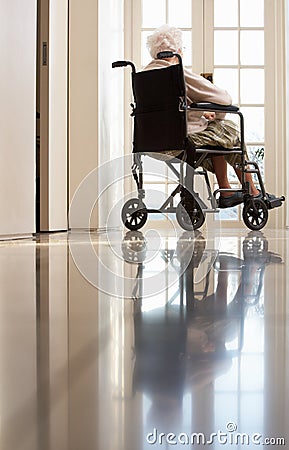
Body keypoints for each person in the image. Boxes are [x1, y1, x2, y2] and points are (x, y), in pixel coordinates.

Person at [144, 25, 275, 208]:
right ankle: (253, 191)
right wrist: (216, 113)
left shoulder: (145, 75)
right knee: (229, 131)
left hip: (152, 144)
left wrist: (199, 112)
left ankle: (226, 188)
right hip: (180, 142)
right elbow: (223, 99)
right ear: (178, 50)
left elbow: (167, 109)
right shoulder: (176, 70)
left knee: (213, 130)